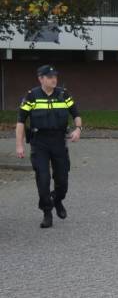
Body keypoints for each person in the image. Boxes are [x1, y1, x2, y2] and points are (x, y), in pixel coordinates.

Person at [15, 65, 82, 228]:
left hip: (59, 141)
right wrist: (19, 145)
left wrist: (78, 129)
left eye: (55, 76)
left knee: (62, 181)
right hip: (40, 142)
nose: (54, 79)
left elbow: (76, 114)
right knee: (43, 179)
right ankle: (47, 212)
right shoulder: (32, 96)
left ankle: (57, 199)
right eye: (50, 77)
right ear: (41, 79)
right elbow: (21, 121)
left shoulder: (63, 94)